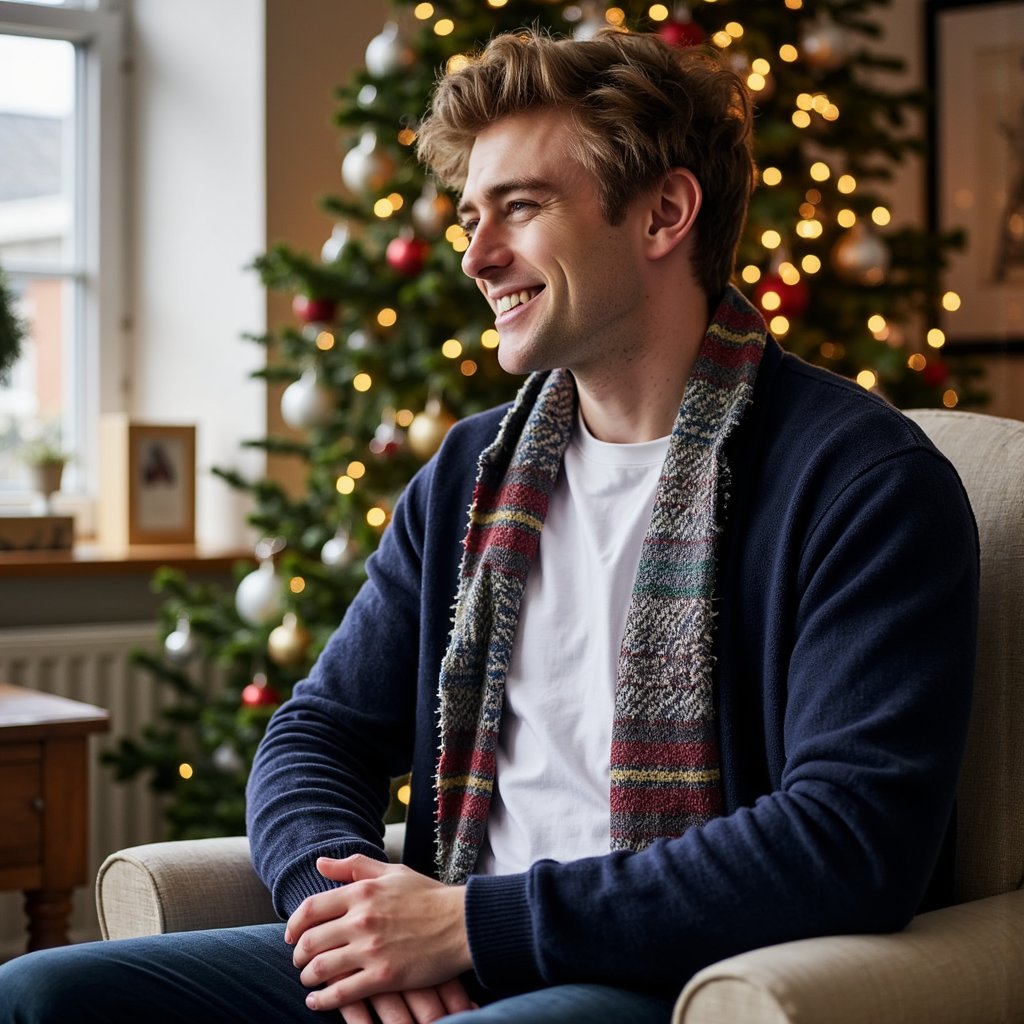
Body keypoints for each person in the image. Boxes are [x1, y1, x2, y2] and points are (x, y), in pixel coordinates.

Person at [0, 28, 978, 1024]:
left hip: (659, 977)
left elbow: (847, 840)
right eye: (471, 214)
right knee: (40, 995)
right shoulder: (472, 473)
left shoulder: (860, 482)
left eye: (520, 207)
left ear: (665, 214)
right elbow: (317, 732)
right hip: (450, 950)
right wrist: (352, 916)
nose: (475, 256)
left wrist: (471, 924)